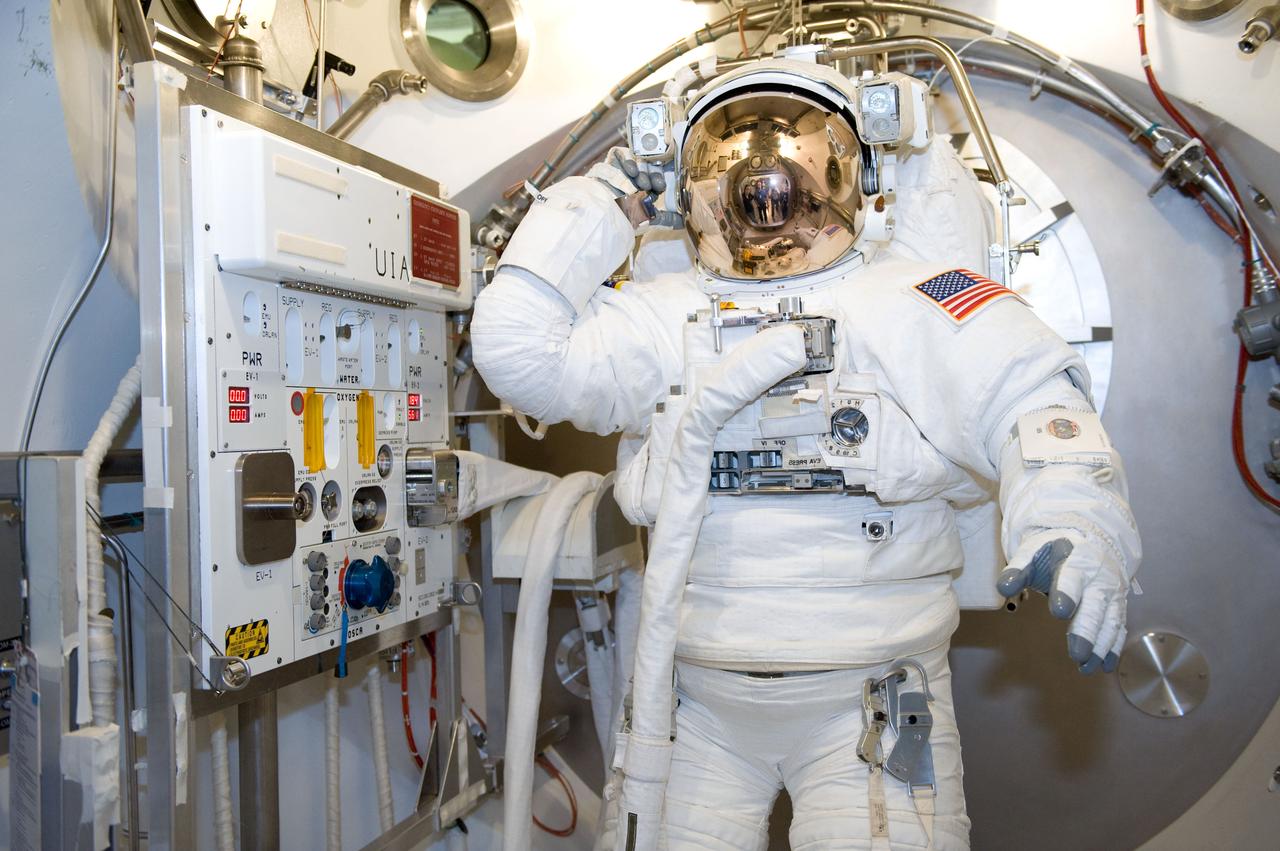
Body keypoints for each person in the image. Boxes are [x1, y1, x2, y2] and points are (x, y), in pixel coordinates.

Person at [471, 56, 1141, 851]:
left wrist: (1077, 521)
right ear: (694, 181)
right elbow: (515, 350)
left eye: (793, 151)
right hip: (692, 697)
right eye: (731, 152)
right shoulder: (662, 315)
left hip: (873, 693)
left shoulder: (910, 296)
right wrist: (607, 199)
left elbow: (1034, 401)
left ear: (849, 170)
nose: (765, 185)